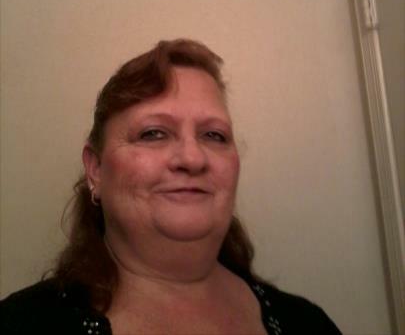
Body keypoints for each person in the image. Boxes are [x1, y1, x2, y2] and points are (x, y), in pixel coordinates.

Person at [1, 39, 342, 334]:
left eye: (214, 135)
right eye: (153, 133)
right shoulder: (20, 325)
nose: (192, 158)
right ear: (96, 170)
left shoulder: (307, 323)